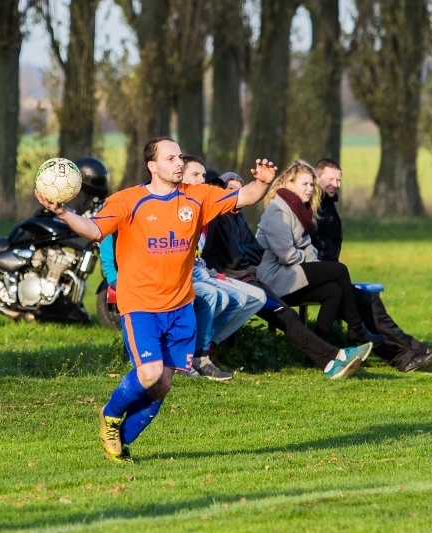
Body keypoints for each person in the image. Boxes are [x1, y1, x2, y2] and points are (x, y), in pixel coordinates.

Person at [35, 137, 278, 463]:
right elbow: (93, 231)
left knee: (162, 384)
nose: (179, 163)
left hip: (181, 308)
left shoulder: (198, 197)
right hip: (141, 307)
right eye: (171, 158)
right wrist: (63, 212)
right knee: (149, 373)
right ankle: (109, 413)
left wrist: (262, 182)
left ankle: (120, 439)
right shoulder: (127, 201)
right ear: (152, 166)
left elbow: (245, 196)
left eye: (180, 157)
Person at [202, 172, 374, 379]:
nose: (234, 194)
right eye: (229, 190)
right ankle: (337, 353)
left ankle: (328, 359)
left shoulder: (236, 217)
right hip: (240, 281)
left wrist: (242, 253)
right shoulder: (221, 219)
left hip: (249, 279)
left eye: (238, 190)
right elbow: (236, 258)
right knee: (288, 315)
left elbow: (255, 253)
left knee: (311, 303)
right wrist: (243, 253)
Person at [313, 158, 432, 372]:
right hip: (320, 280)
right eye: (330, 179)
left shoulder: (328, 206)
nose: (335, 184)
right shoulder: (314, 208)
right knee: (367, 304)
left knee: (368, 302)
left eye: (339, 180)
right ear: (316, 178)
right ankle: (409, 354)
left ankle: (412, 353)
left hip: (332, 277)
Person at [255, 160, 384, 346]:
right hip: (274, 279)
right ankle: (357, 329)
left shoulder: (301, 210)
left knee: (334, 290)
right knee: (339, 270)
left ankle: (319, 347)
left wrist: (314, 265)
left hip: (290, 275)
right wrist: (313, 265)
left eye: (311, 184)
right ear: (289, 184)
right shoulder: (278, 211)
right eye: (304, 184)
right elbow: (287, 255)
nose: (309, 189)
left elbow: (307, 247)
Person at [181, 155, 266, 381]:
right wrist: (113, 275)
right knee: (213, 295)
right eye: (196, 175)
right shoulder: (173, 205)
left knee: (256, 296)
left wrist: (262, 184)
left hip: (201, 271)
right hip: (180, 276)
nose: (202, 180)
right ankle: (193, 354)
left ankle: (203, 348)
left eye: (203, 176)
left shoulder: (210, 210)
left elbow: (253, 250)